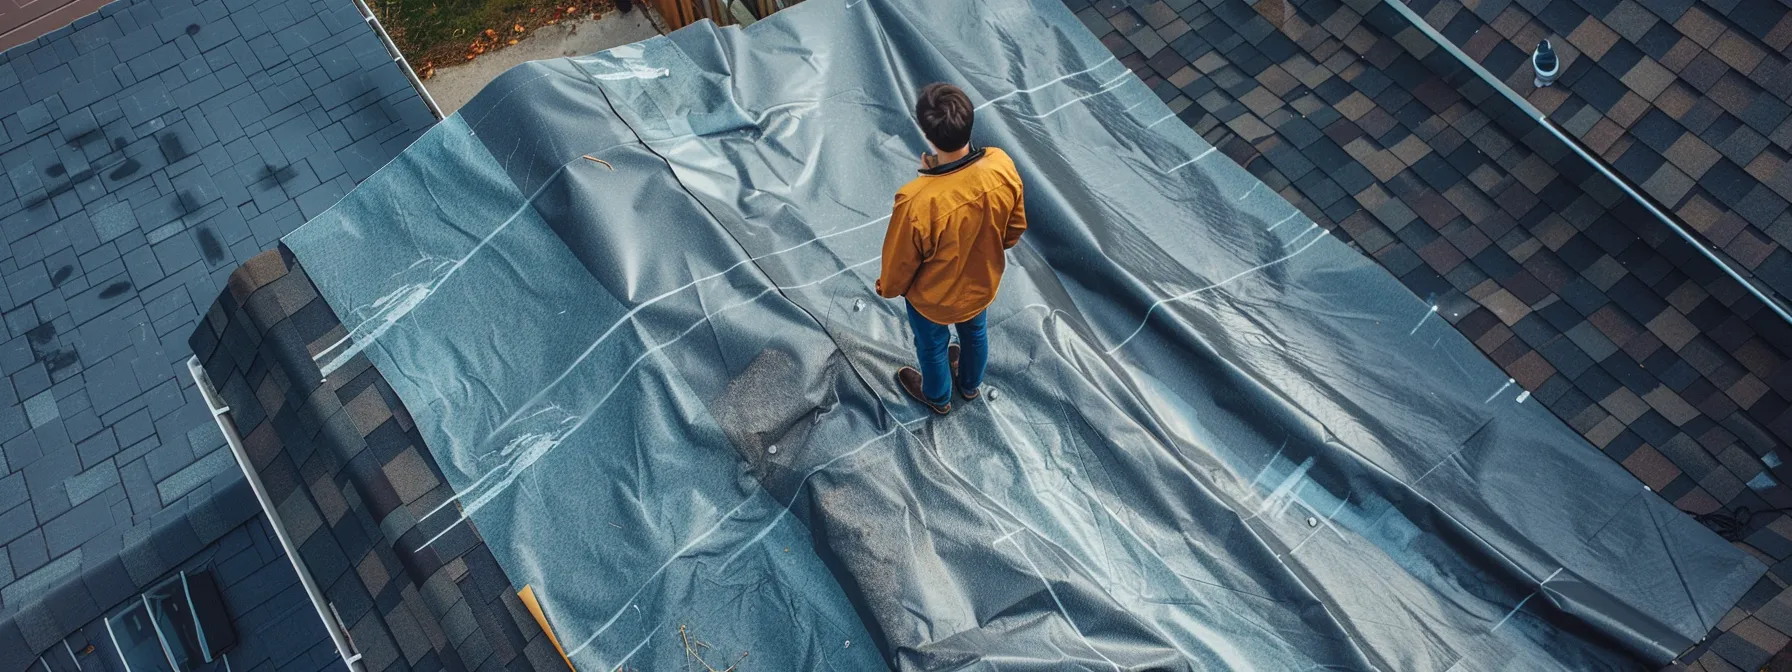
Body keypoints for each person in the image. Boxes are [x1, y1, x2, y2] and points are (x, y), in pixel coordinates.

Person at [875, 82, 1028, 415]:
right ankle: (970, 385)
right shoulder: (1000, 165)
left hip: (933, 301)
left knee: (932, 348)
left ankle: (938, 397)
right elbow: (1014, 228)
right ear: (970, 121)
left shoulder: (916, 200)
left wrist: (888, 288)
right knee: (975, 334)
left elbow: (900, 265)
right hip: (981, 285)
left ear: (929, 136)